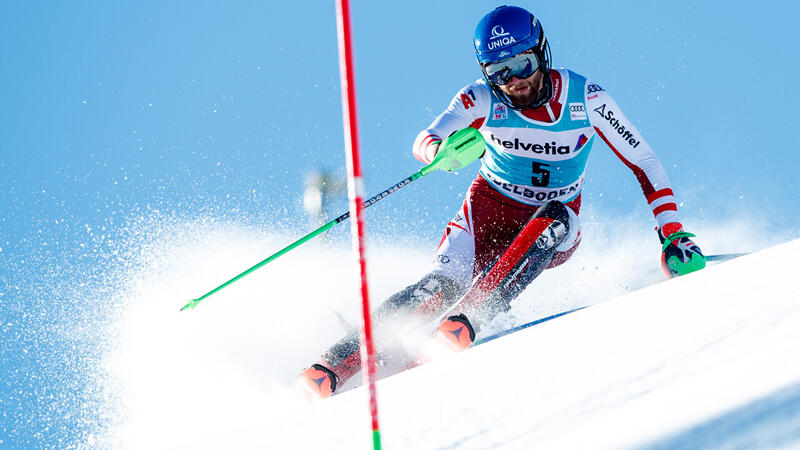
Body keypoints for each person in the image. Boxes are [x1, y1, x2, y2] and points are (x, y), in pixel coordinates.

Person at [297, 5, 705, 400]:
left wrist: (671, 233)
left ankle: (467, 319)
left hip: (552, 228)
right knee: (433, 290)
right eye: (500, 72)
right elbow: (423, 139)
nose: (515, 81)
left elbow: (643, 160)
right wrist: (441, 152)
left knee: (554, 216)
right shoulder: (480, 99)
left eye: (522, 65)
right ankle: (334, 366)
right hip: (486, 214)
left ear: (541, 54)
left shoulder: (586, 98)